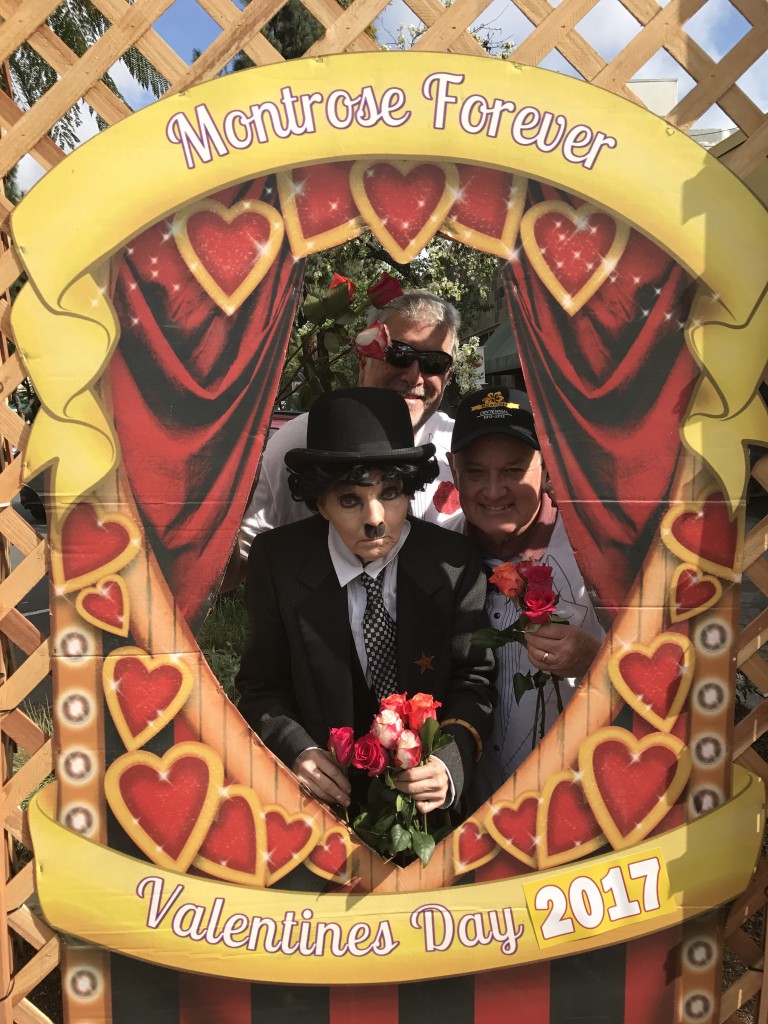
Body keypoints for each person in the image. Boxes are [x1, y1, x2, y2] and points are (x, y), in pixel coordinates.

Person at [236, 388, 495, 814]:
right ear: (320, 502)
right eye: (350, 499)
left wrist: (450, 762)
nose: (375, 520)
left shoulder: (454, 564)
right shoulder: (277, 565)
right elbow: (262, 686)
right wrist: (295, 750)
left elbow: (474, 679)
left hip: (427, 816)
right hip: (318, 809)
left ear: (410, 489)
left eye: (390, 493)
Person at [447, 385, 604, 804]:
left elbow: (659, 660)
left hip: (574, 804)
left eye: (514, 470)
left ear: (547, 467)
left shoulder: (594, 551)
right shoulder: (434, 553)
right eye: (476, 472)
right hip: (460, 814)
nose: (494, 491)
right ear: (453, 470)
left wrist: (594, 657)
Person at [236, 290, 464, 566]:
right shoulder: (299, 442)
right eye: (399, 355)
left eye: (434, 363)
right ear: (363, 363)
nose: (414, 376)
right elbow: (245, 564)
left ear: (447, 376)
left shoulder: (461, 447)